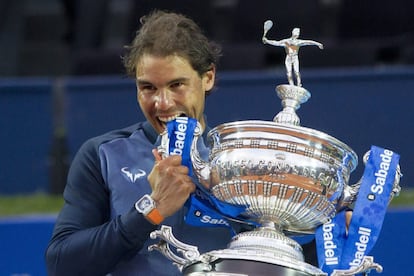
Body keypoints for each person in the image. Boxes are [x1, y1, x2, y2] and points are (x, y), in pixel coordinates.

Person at [45, 10, 318, 275]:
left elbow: (294, 262)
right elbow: (62, 264)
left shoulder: (244, 163)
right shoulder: (103, 155)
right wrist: (150, 211)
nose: (163, 103)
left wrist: (330, 232)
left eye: (177, 85)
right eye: (148, 87)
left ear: (207, 77)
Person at [262, 22, 323, 87]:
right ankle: (291, 85)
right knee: (289, 73)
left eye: (297, 34)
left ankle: (299, 84)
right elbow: (276, 43)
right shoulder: (286, 41)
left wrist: (318, 44)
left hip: (295, 57)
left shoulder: (298, 42)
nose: (297, 35)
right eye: (296, 34)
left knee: (296, 72)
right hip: (288, 58)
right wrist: (267, 41)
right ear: (293, 33)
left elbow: (309, 42)